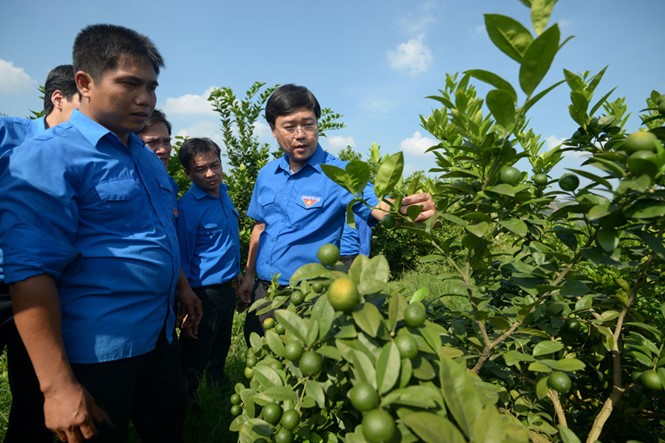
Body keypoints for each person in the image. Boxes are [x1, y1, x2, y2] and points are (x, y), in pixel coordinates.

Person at [0, 24, 196, 443]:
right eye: (129, 84)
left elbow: (154, 233)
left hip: (158, 338)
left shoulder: (144, 157)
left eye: (151, 86)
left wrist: (181, 286)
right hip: (97, 353)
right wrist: (56, 387)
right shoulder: (48, 155)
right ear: (84, 83)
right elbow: (30, 273)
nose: (145, 99)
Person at [238, 84, 435, 341]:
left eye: (308, 124)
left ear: (318, 124)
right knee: (260, 349)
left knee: (302, 362)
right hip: (264, 290)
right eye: (289, 127)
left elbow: (378, 206)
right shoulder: (267, 174)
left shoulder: (342, 173)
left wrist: (406, 210)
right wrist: (249, 276)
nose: (300, 134)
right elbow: (260, 227)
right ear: (273, 131)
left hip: (308, 294)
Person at [0, 63, 80, 443]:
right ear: (58, 99)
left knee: (33, 393)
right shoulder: (8, 134)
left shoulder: (82, 153)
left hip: (39, 287)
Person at [175, 137, 241, 402]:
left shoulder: (223, 193)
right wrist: (186, 301)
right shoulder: (188, 209)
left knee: (220, 346)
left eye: (215, 165)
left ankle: (218, 391)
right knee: (195, 351)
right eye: (201, 169)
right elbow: (183, 256)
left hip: (226, 288)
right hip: (204, 292)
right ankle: (185, 400)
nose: (211, 173)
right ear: (188, 173)